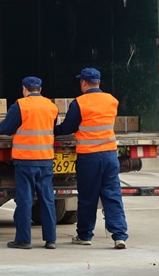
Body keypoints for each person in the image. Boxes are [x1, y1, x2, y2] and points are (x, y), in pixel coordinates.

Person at [54, 67, 128, 249]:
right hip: (110, 155)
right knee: (112, 195)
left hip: (89, 157)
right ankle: (119, 236)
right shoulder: (111, 100)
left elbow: (68, 127)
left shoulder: (80, 103)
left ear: (84, 83)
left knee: (88, 197)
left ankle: (85, 235)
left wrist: (51, 130)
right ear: (99, 82)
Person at [0, 76, 59, 250]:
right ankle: (51, 239)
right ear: (40, 90)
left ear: (24, 89)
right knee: (47, 199)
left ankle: (24, 240)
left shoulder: (20, 105)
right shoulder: (51, 106)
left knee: (25, 200)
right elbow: (52, 127)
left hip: (25, 161)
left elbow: (6, 128)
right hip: (45, 159)